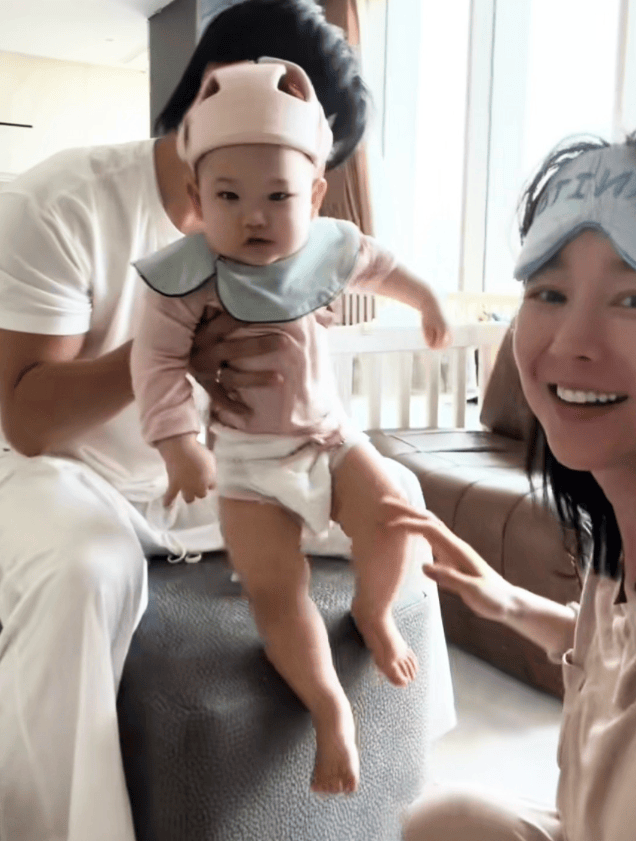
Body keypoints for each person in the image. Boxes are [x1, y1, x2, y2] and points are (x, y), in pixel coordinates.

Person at [0, 3, 459, 840]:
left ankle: (405, 781)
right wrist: (175, 354)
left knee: (400, 500)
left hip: (227, 472)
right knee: (86, 570)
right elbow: (27, 419)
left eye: (301, 177)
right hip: (68, 470)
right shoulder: (62, 203)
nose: (278, 207)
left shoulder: (289, 230)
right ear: (216, 100)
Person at [130, 57, 450, 795]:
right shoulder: (185, 277)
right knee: (277, 590)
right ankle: (329, 704)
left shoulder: (326, 246)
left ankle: (374, 610)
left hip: (331, 441)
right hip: (247, 466)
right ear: (196, 198)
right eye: (228, 196)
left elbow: (383, 267)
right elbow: (157, 363)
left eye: (278, 195)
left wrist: (428, 299)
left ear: (315, 193)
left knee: (394, 517)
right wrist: (180, 445)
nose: (254, 216)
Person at [397, 132, 636, 841]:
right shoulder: (615, 545)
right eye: (550, 292)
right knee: (440, 820)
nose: (572, 341)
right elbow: (607, 652)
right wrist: (504, 600)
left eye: (633, 298)